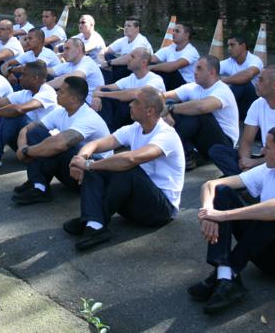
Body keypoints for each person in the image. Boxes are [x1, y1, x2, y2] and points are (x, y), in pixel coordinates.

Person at [188, 125, 275, 315]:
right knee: (222, 193)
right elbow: (211, 184)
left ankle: (225, 275)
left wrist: (223, 216)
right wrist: (208, 211)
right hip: (266, 254)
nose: (262, 152)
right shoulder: (268, 170)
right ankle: (225, 274)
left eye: (267, 147)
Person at [64, 87, 185, 251]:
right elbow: (96, 144)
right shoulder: (134, 128)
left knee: (127, 167)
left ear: (149, 111)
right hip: (136, 201)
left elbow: (131, 159)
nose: (130, 105)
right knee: (100, 164)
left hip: (161, 210)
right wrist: (81, 159)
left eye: (136, 102)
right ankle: (94, 223)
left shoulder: (166, 135)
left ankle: (95, 219)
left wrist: (88, 165)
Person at [11, 77, 110, 205]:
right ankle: (38, 185)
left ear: (74, 98)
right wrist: (21, 147)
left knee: (58, 146)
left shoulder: (88, 117)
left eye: (61, 92)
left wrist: (27, 151)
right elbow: (28, 129)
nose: (57, 93)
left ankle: (38, 182)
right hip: (71, 167)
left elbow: (60, 144)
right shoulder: (61, 111)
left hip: (90, 174)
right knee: (36, 134)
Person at [209, 65, 275, 177]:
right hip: (267, 158)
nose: (256, 83)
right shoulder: (257, 104)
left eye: (261, 80)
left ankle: (242, 182)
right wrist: (246, 162)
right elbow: (246, 142)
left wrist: (254, 163)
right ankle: (244, 181)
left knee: (224, 186)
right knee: (217, 151)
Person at [163, 55, 240, 172]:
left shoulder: (222, 90)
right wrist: (167, 110)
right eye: (195, 68)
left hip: (223, 143)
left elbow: (202, 107)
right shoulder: (193, 87)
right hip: (203, 141)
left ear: (212, 72)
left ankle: (168, 146)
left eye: (199, 69)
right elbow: (162, 96)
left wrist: (170, 108)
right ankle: (188, 154)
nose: (195, 72)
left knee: (197, 112)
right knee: (172, 104)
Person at [91, 47, 165, 132]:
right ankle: (104, 129)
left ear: (143, 62)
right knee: (106, 94)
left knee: (129, 103)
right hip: (131, 116)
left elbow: (135, 94)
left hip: (146, 119)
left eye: (132, 57)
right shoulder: (132, 77)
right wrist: (97, 95)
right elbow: (104, 87)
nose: (128, 59)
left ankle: (107, 131)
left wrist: (101, 94)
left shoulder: (155, 80)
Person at [219, 35, 263, 124]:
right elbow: (210, 71)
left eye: (232, 45)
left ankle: (217, 109)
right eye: (228, 45)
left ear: (243, 46)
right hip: (239, 105)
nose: (229, 48)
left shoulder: (255, 60)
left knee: (243, 84)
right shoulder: (228, 62)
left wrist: (222, 80)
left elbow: (246, 76)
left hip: (254, 103)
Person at [47, 38, 105, 104]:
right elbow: (49, 71)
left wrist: (42, 86)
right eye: (63, 50)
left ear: (78, 49)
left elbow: (68, 80)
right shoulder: (70, 63)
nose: (64, 52)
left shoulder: (87, 63)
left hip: (88, 105)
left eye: (67, 48)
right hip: (75, 101)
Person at [98, 17, 152, 83]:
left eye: (129, 26)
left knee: (122, 65)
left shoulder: (140, 41)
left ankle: (110, 85)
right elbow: (103, 51)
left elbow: (128, 58)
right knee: (108, 56)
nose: (126, 28)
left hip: (138, 70)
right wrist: (103, 62)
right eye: (125, 25)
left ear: (137, 29)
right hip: (126, 68)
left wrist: (108, 63)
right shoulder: (124, 40)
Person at [149, 23, 200, 90]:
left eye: (177, 31)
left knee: (169, 71)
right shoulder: (171, 47)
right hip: (172, 82)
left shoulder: (191, 51)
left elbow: (173, 66)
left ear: (186, 35)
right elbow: (152, 59)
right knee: (147, 64)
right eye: (173, 31)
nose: (173, 33)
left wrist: (151, 67)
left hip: (186, 86)